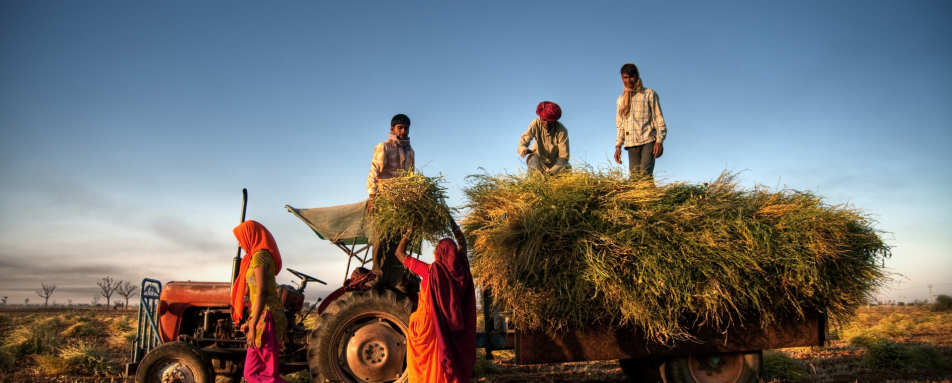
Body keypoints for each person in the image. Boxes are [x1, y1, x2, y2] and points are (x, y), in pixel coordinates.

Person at [395, 220, 476, 383]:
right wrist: (452, 224)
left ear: (438, 253)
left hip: (430, 327)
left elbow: (399, 254)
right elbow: (463, 244)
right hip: (455, 327)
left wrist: (409, 231)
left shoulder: (430, 271)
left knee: (427, 364)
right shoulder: (462, 269)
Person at [231, 220, 287, 383]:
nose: (240, 244)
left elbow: (262, 292)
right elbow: (256, 294)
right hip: (261, 316)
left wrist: (254, 324)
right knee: (251, 372)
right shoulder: (257, 256)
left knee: (268, 376)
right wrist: (250, 321)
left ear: (250, 236)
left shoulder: (260, 257)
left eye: (241, 238)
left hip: (266, 320)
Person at [366, 113, 417, 290]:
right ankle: (378, 276)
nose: (403, 131)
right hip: (384, 200)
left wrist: (412, 200)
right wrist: (372, 197)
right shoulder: (384, 147)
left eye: (406, 128)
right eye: (399, 128)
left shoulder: (410, 152)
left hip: (401, 203)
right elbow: (374, 172)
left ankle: (395, 279)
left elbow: (410, 178)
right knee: (381, 238)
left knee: (398, 240)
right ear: (392, 129)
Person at [613, 62, 667, 178]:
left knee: (645, 175)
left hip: (648, 140)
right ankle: (651, 195)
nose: (629, 81)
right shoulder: (621, 100)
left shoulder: (649, 94)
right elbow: (621, 125)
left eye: (631, 77)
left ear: (637, 76)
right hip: (631, 143)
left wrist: (659, 141)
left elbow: (658, 118)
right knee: (635, 179)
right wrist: (618, 146)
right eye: (625, 78)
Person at [518, 101, 570, 174]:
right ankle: (535, 182)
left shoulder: (562, 130)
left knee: (566, 165)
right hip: (539, 162)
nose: (546, 124)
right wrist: (523, 149)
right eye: (544, 120)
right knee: (532, 159)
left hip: (556, 164)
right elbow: (525, 139)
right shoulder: (535, 124)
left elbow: (563, 156)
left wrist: (551, 172)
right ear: (540, 117)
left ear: (554, 120)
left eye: (550, 121)